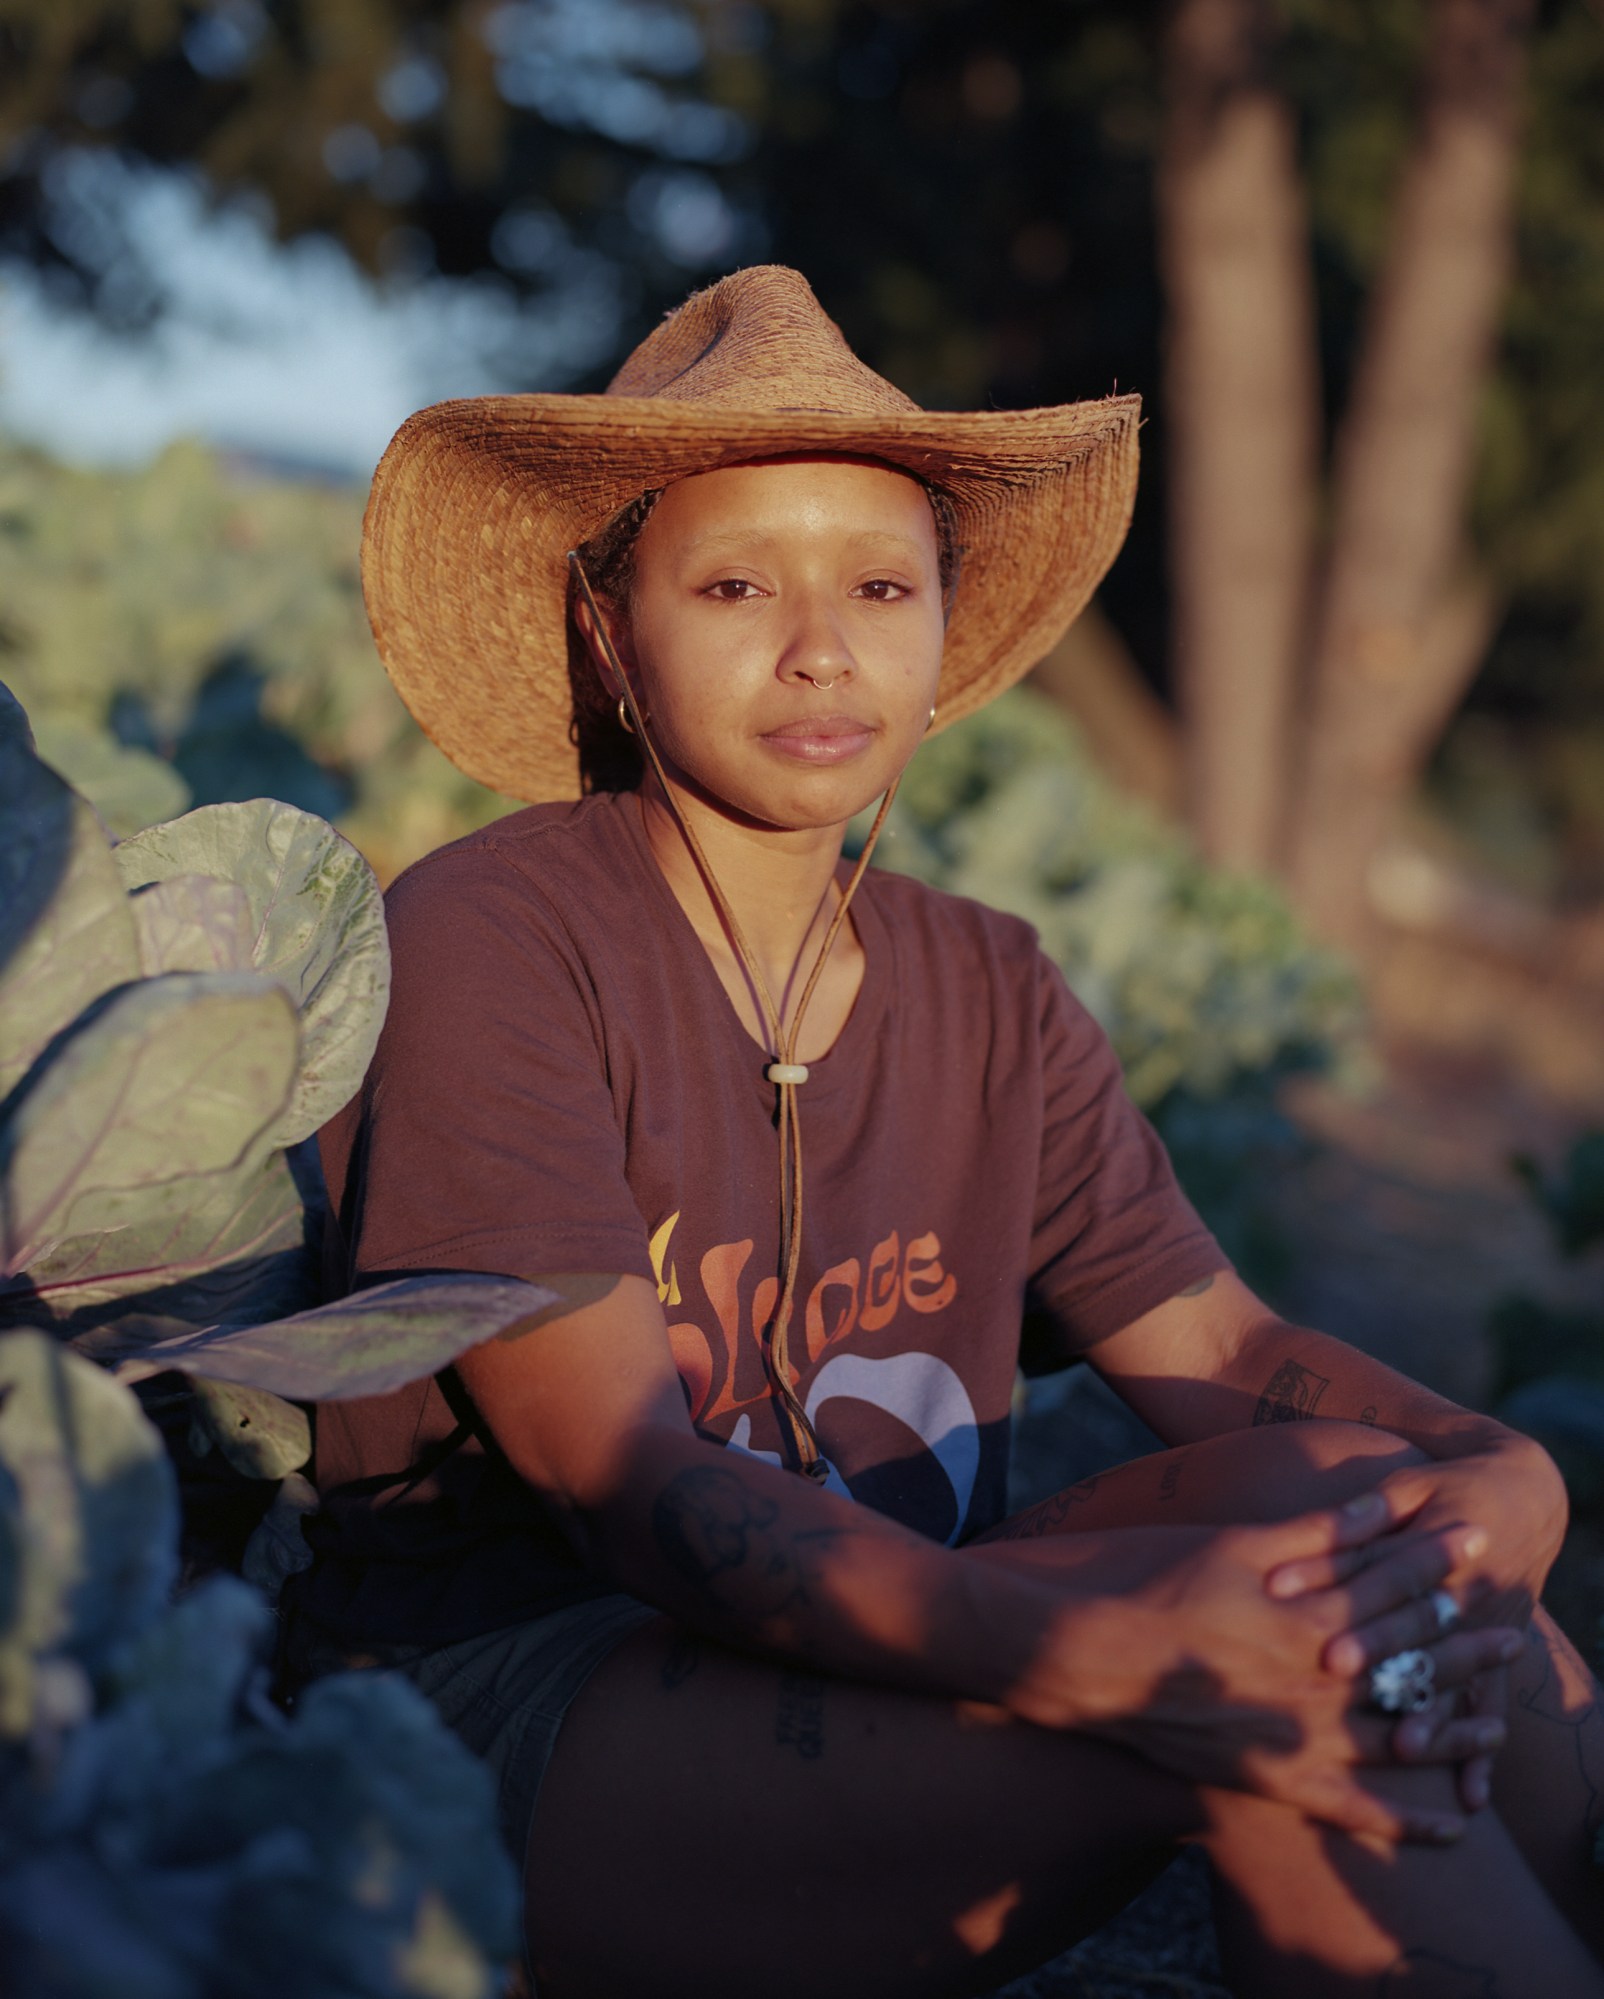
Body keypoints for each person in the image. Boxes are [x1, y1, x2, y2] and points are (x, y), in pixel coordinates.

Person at [290, 266, 1604, 1998]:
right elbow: (629, 1485)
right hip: (527, 1701)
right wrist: (1124, 1651)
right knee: (1272, 1698)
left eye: (882, 583)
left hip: (888, 1644)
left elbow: (1218, 1342)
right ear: (613, 632)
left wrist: (1496, 1468)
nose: (822, 644)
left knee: (1381, 1530)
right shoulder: (496, 941)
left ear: (939, 630)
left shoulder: (985, 984)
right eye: (738, 582)